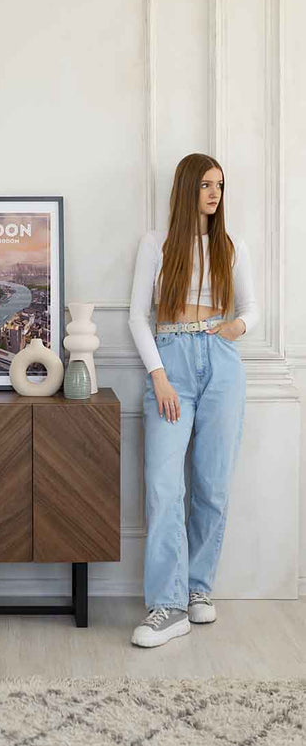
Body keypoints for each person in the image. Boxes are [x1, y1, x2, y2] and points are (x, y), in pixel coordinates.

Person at [127, 154, 259, 649]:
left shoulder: (231, 245)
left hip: (222, 363)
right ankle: (167, 604)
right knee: (163, 487)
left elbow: (252, 309)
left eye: (220, 185)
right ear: (186, 188)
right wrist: (158, 376)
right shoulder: (156, 244)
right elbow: (139, 317)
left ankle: (199, 589)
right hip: (172, 363)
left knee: (212, 485)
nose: (214, 194)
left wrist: (237, 328)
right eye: (205, 184)